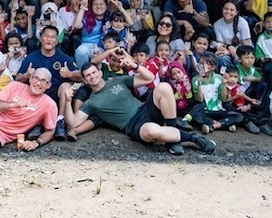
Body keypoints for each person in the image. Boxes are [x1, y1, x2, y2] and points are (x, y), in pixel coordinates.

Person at [64, 60, 216, 155]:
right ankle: (193, 138)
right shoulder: (91, 102)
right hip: (133, 125)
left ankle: (172, 139)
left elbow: (149, 78)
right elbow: (73, 123)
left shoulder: (117, 81)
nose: (92, 76)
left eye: (93, 72)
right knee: (152, 131)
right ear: (84, 80)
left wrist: (135, 65)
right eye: (88, 75)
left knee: (163, 86)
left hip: (145, 109)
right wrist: (66, 100)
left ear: (99, 72)